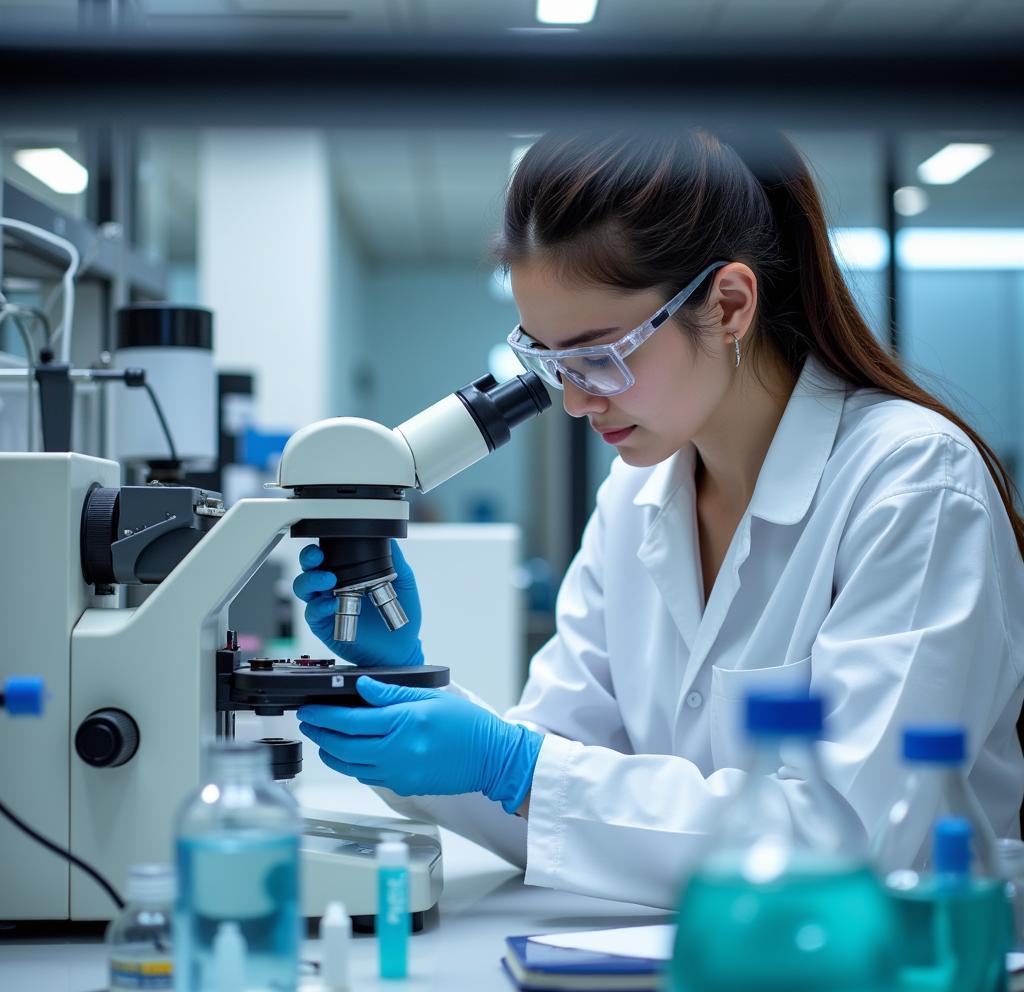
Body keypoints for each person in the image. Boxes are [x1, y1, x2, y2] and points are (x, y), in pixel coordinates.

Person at [293, 128, 1024, 909]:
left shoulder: (912, 484)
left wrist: (513, 765)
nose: (575, 399)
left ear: (730, 305)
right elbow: (550, 792)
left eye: (599, 354)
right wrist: (397, 689)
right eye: (549, 360)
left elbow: (850, 840)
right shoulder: (633, 499)